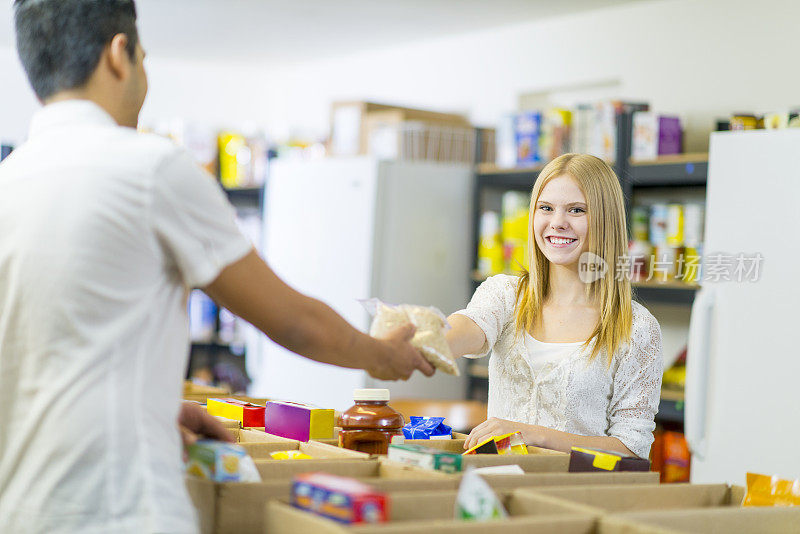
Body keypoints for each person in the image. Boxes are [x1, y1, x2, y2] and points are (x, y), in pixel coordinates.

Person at [0, 1, 434, 532]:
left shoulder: (9, 180)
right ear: (120, 55)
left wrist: (155, 407)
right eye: (144, 58)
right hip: (121, 510)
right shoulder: (150, 168)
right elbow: (291, 319)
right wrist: (382, 354)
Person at [447, 153, 663, 459]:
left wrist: (535, 436)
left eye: (577, 210)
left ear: (606, 219)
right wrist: (425, 339)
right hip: (495, 487)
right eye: (546, 208)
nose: (557, 223)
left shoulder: (636, 328)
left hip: (573, 497)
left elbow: (631, 449)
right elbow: (468, 328)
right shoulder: (505, 295)